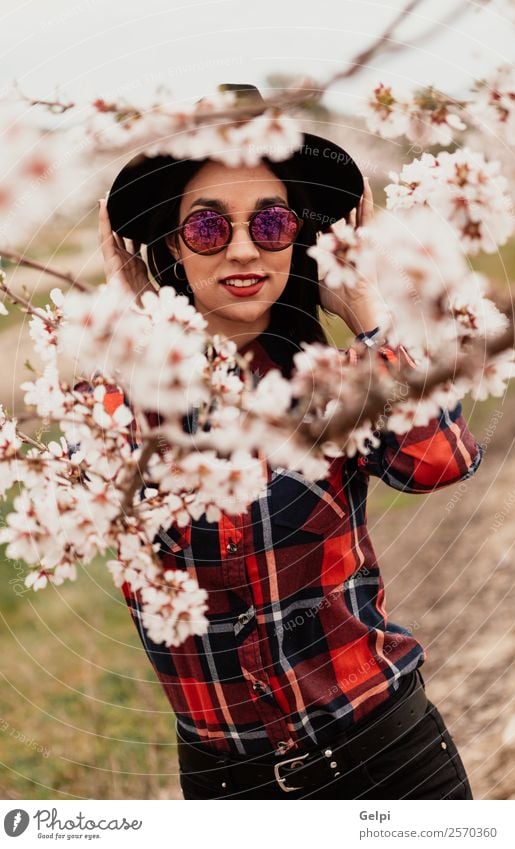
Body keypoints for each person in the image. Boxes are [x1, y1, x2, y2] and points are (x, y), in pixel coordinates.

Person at [99, 84, 482, 800]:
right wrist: (135, 329)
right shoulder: (120, 402)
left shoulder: (335, 382)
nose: (243, 249)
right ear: (173, 247)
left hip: (388, 756)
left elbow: (441, 461)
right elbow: (115, 503)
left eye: (270, 223)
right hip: (230, 786)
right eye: (209, 229)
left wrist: (367, 315)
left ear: (297, 240)